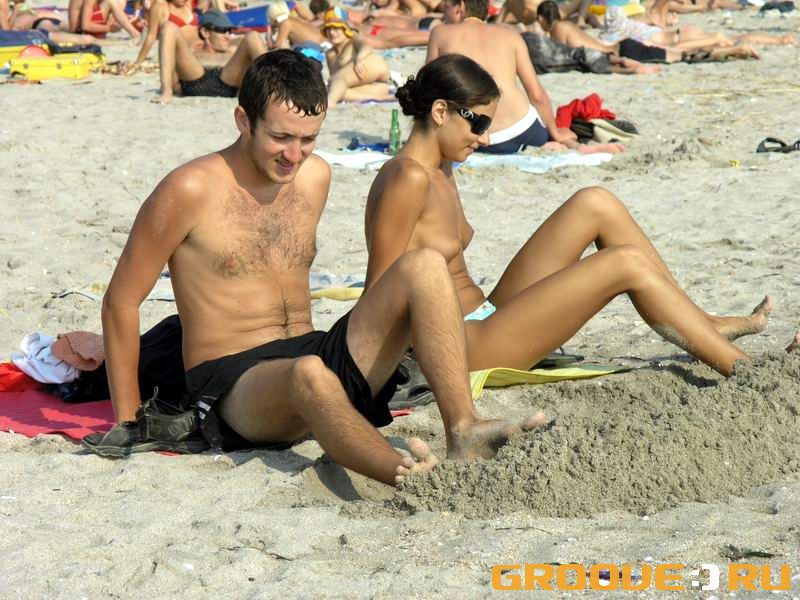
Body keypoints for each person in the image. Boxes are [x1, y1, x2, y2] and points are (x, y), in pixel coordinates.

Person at [93, 49, 542, 485]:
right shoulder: (190, 188)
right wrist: (129, 420)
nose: (294, 155)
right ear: (243, 121)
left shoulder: (314, 176)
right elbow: (121, 301)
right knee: (307, 374)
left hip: (314, 350)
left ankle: (463, 428)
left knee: (424, 265)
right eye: (281, 138)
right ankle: (407, 476)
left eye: (308, 139)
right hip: (233, 382)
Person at [364, 54, 795, 377]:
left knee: (595, 202)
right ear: (441, 112)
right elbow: (378, 294)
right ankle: (747, 372)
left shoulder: (440, 166)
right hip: (461, 346)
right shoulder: (406, 178)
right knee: (625, 263)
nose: (486, 138)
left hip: (487, 313)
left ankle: (702, 324)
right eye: (478, 124)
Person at [426, 0, 623, 154]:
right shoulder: (510, 35)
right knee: (547, 132)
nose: (443, 14)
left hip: (473, 136)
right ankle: (576, 147)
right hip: (523, 130)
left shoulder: (440, 33)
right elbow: (536, 93)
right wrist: (554, 132)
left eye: (446, 7)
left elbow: (427, 89)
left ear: (461, 6)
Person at [536, 0, 761, 63]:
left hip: (625, 51)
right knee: (681, 55)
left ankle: (736, 49)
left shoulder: (559, 29)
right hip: (625, 46)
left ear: (541, 19)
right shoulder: (567, 26)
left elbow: (564, 56)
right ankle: (735, 49)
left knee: (683, 56)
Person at [153, 10, 265, 104]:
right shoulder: (192, 51)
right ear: (205, 32)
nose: (227, 36)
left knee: (253, 36)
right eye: (222, 30)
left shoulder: (233, 49)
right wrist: (172, 85)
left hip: (228, 81)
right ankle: (166, 91)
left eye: (229, 31)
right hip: (194, 79)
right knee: (169, 27)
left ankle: (270, 90)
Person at [322, 10, 394, 105]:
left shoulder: (353, 38)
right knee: (334, 89)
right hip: (376, 86)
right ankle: (381, 98)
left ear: (345, 29)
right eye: (328, 29)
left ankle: (330, 102)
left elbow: (366, 46)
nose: (332, 32)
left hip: (371, 64)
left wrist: (359, 58)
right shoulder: (329, 54)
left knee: (335, 81)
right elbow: (337, 83)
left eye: (336, 28)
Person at [134, 0, 200, 66]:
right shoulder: (160, 5)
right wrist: (138, 62)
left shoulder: (187, 4)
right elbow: (151, 36)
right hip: (178, 55)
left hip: (198, 51)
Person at [67, 0, 141, 41]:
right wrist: (109, 28)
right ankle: (136, 34)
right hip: (79, 32)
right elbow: (85, 26)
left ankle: (135, 33)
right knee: (112, 2)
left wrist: (128, 17)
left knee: (120, 2)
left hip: (88, 27)